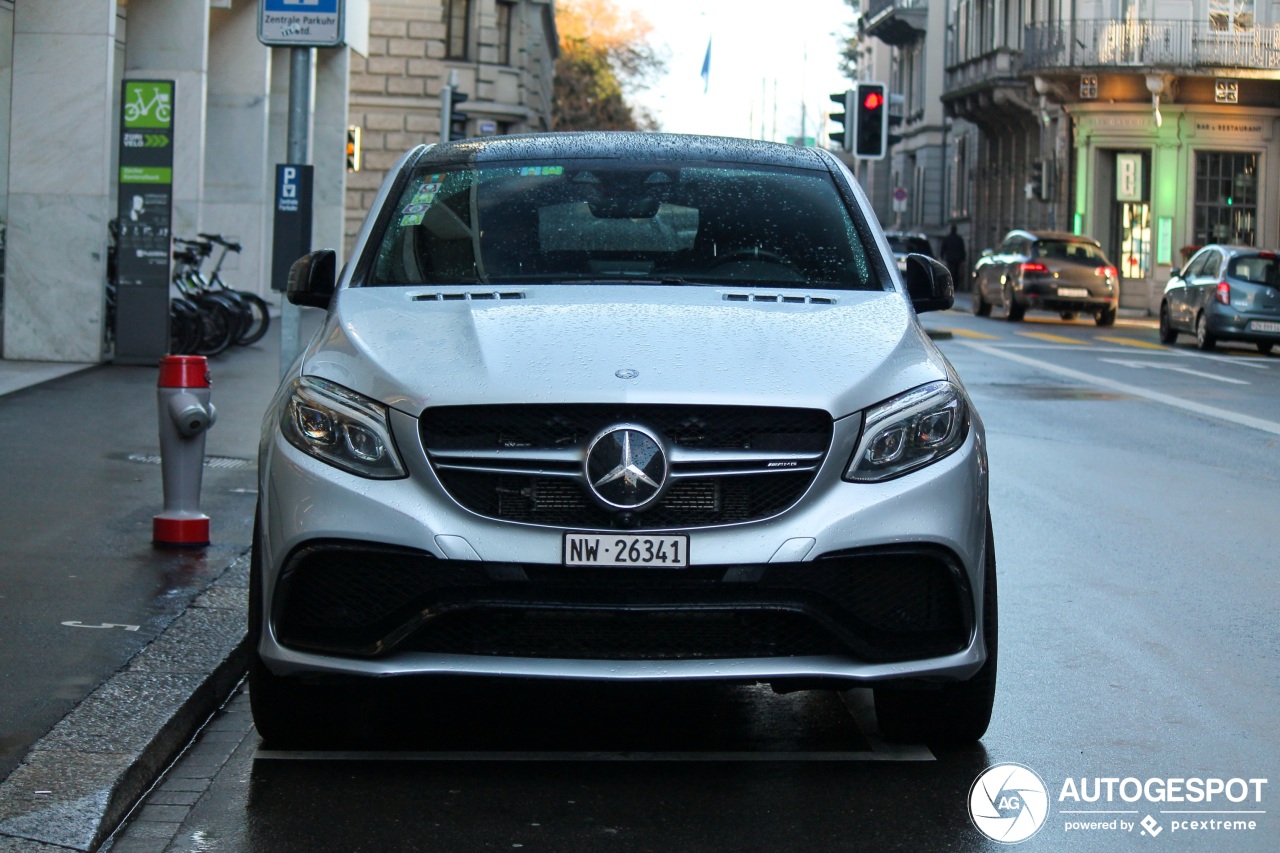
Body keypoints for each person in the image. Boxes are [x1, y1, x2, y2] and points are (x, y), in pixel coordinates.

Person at [941, 224, 967, 289]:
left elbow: (943, 248)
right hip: (957, 259)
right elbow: (962, 249)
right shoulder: (959, 239)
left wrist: (942, 255)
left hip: (950, 258)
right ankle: (955, 285)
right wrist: (963, 258)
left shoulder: (947, 238)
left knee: (951, 272)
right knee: (956, 273)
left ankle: (951, 285)